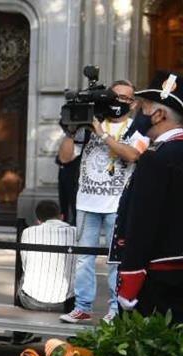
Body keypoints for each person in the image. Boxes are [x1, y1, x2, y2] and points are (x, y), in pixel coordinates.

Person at [57, 80, 146, 324]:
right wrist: (71, 131)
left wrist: (103, 134)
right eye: (114, 96)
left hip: (118, 205)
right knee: (84, 258)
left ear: (134, 103)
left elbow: (133, 155)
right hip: (87, 202)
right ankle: (82, 306)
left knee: (116, 259)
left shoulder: (137, 128)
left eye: (126, 98)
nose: (119, 101)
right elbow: (65, 158)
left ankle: (115, 310)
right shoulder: (90, 123)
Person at [112, 75, 183, 322]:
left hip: (158, 278)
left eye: (143, 107)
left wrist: (129, 281)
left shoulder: (155, 158)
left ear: (159, 115)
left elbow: (142, 223)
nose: (139, 113)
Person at [18, 200, 76, 312]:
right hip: (66, 303)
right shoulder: (75, 232)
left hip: (31, 301)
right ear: (62, 216)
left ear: (38, 221)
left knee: (25, 274)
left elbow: (25, 265)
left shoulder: (28, 232)